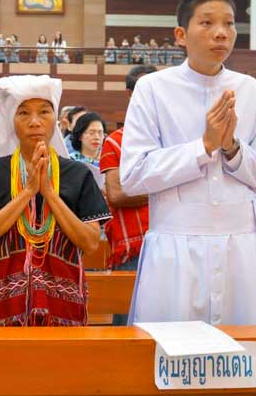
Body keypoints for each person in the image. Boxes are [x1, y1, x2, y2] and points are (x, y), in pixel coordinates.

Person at [120, 0, 256, 326]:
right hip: (175, 246)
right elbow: (133, 176)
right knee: (171, 345)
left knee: (240, 346)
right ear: (181, 35)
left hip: (240, 248)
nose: (221, 33)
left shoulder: (251, 91)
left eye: (229, 23)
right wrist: (204, 147)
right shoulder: (153, 89)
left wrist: (232, 149)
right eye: (207, 23)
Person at [0, 75, 111, 326]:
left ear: (56, 120)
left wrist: (49, 193)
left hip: (61, 306)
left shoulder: (77, 174)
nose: (34, 122)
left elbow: (90, 242)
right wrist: (28, 191)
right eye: (23, 113)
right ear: (11, 120)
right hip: (0, 305)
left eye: (44, 112)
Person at [99, 64, 157, 325]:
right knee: (127, 323)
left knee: (172, 324)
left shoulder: (176, 139)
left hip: (177, 242)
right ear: (130, 94)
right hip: (134, 248)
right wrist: (167, 189)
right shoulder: (115, 140)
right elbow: (117, 195)